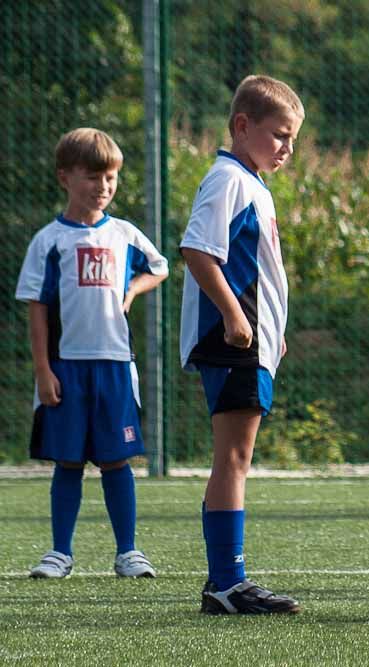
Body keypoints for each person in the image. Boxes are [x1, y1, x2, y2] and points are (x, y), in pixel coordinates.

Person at [16, 127, 168, 579]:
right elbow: (38, 310)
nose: (103, 187)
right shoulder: (48, 241)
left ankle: (128, 552)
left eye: (111, 178)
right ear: (65, 177)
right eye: (92, 177)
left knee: (115, 460)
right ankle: (60, 553)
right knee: (67, 460)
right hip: (65, 367)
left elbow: (158, 267)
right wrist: (43, 370)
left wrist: (132, 290)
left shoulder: (124, 234)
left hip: (116, 366)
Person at [179, 75, 305, 614]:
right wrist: (235, 317)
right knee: (234, 455)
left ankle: (223, 581)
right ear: (241, 125)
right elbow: (197, 250)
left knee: (234, 456)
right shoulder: (227, 179)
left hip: (252, 345)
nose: (287, 148)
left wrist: (272, 335)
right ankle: (227, 583)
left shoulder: (251, 182)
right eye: (279, 135)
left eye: (292, 139)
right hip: (233, 342)